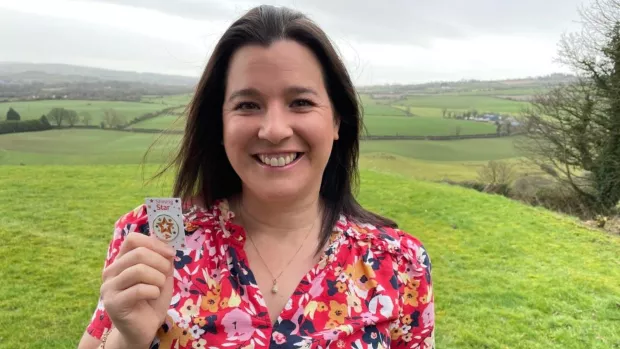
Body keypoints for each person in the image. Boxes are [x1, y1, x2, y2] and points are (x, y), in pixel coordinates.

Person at [77, 4, 435, 349]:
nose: (274, 130)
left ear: (337, 121)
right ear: (219, 124)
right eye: (248, 105)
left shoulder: (399, 265)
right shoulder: (151, 238)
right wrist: (128, 341)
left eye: (301, 103)